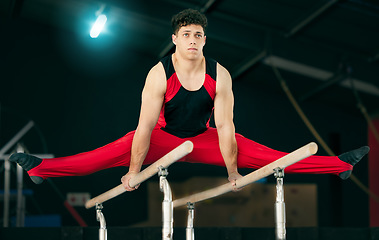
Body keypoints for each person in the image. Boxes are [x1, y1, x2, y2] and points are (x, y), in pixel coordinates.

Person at [10, 9, 369, 192]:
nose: (194, 39)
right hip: (161, 139)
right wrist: (133, 173)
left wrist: (233, 173)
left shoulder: (220, 74)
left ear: (204, 40)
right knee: (100, 157)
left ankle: (338, 166)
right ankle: (42, 169)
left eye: (199, 34)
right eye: (187, 34)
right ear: (175, 39)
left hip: (203, 139)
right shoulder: (158, 73)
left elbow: (227, 125)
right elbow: (146, 126)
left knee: (269, 157)